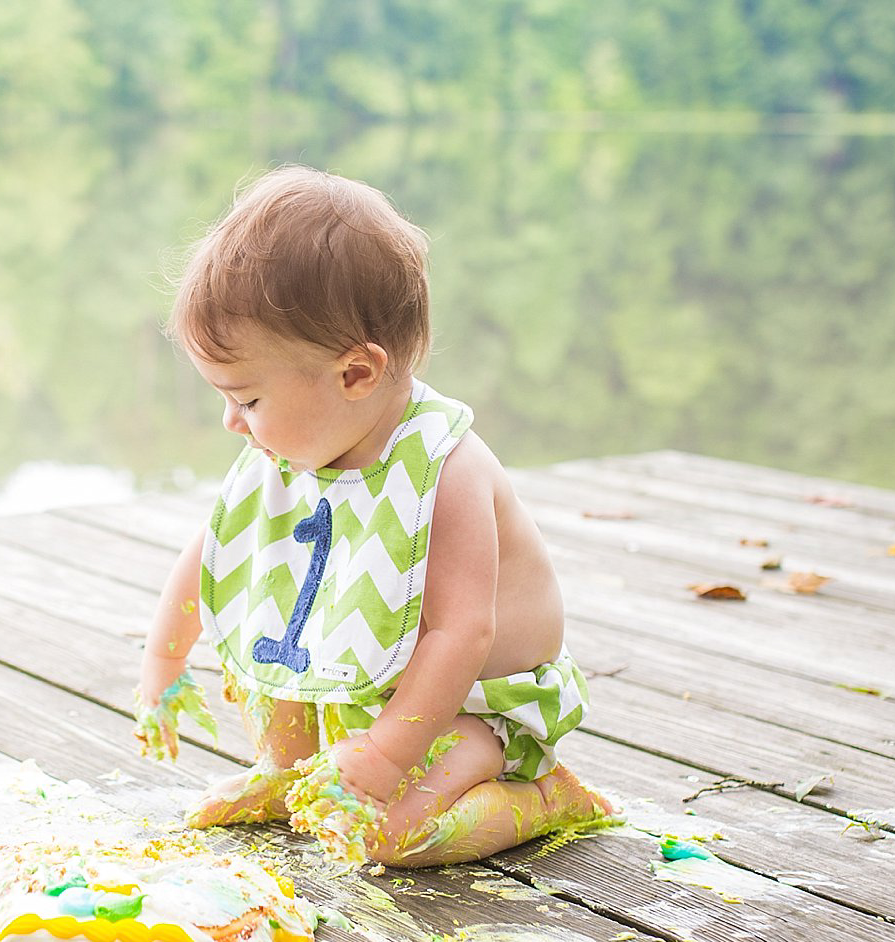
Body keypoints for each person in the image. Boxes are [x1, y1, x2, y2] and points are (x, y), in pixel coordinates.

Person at [133, 164, 614, 867]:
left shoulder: (445, 468)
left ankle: (541, 795)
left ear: (355, 374)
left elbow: (461, 631)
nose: (231, 422)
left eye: (249, 399)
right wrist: (162, 661)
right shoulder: (291, 447)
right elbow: (213, 553)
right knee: (271, 667)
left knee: (390, 838)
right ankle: (285, 770)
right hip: (364, 680)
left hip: (476, 702)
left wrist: (386, 757)